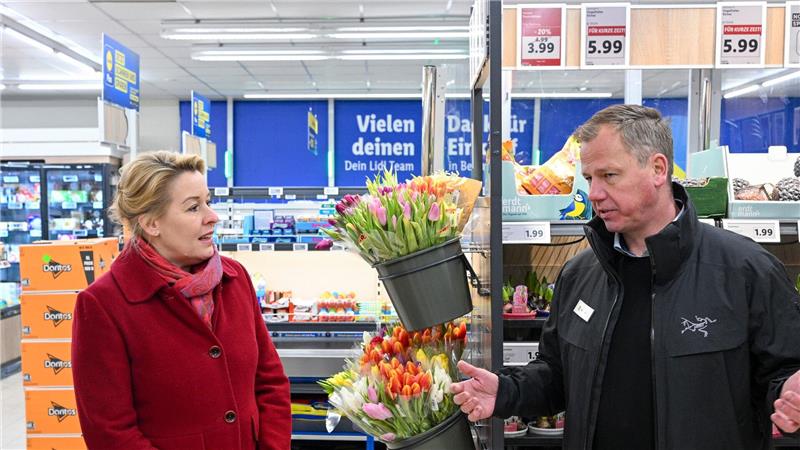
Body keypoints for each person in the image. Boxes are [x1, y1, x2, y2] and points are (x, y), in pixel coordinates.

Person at [452, 105, 800, 449]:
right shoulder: (579, 275)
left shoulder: (746, 271)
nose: (594, 193)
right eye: (589, 178)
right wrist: (507, 391)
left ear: (658, 169)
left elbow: (784, 374)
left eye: (609, 175)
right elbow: (557, 375)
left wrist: (790, 397)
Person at [72, 151, 291, 450]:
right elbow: (110, 431)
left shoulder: (235, 279)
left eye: (208, 202)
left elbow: (270, 382)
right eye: (193, 207)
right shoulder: (104, 305)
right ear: (152, 223)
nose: (212, 217)